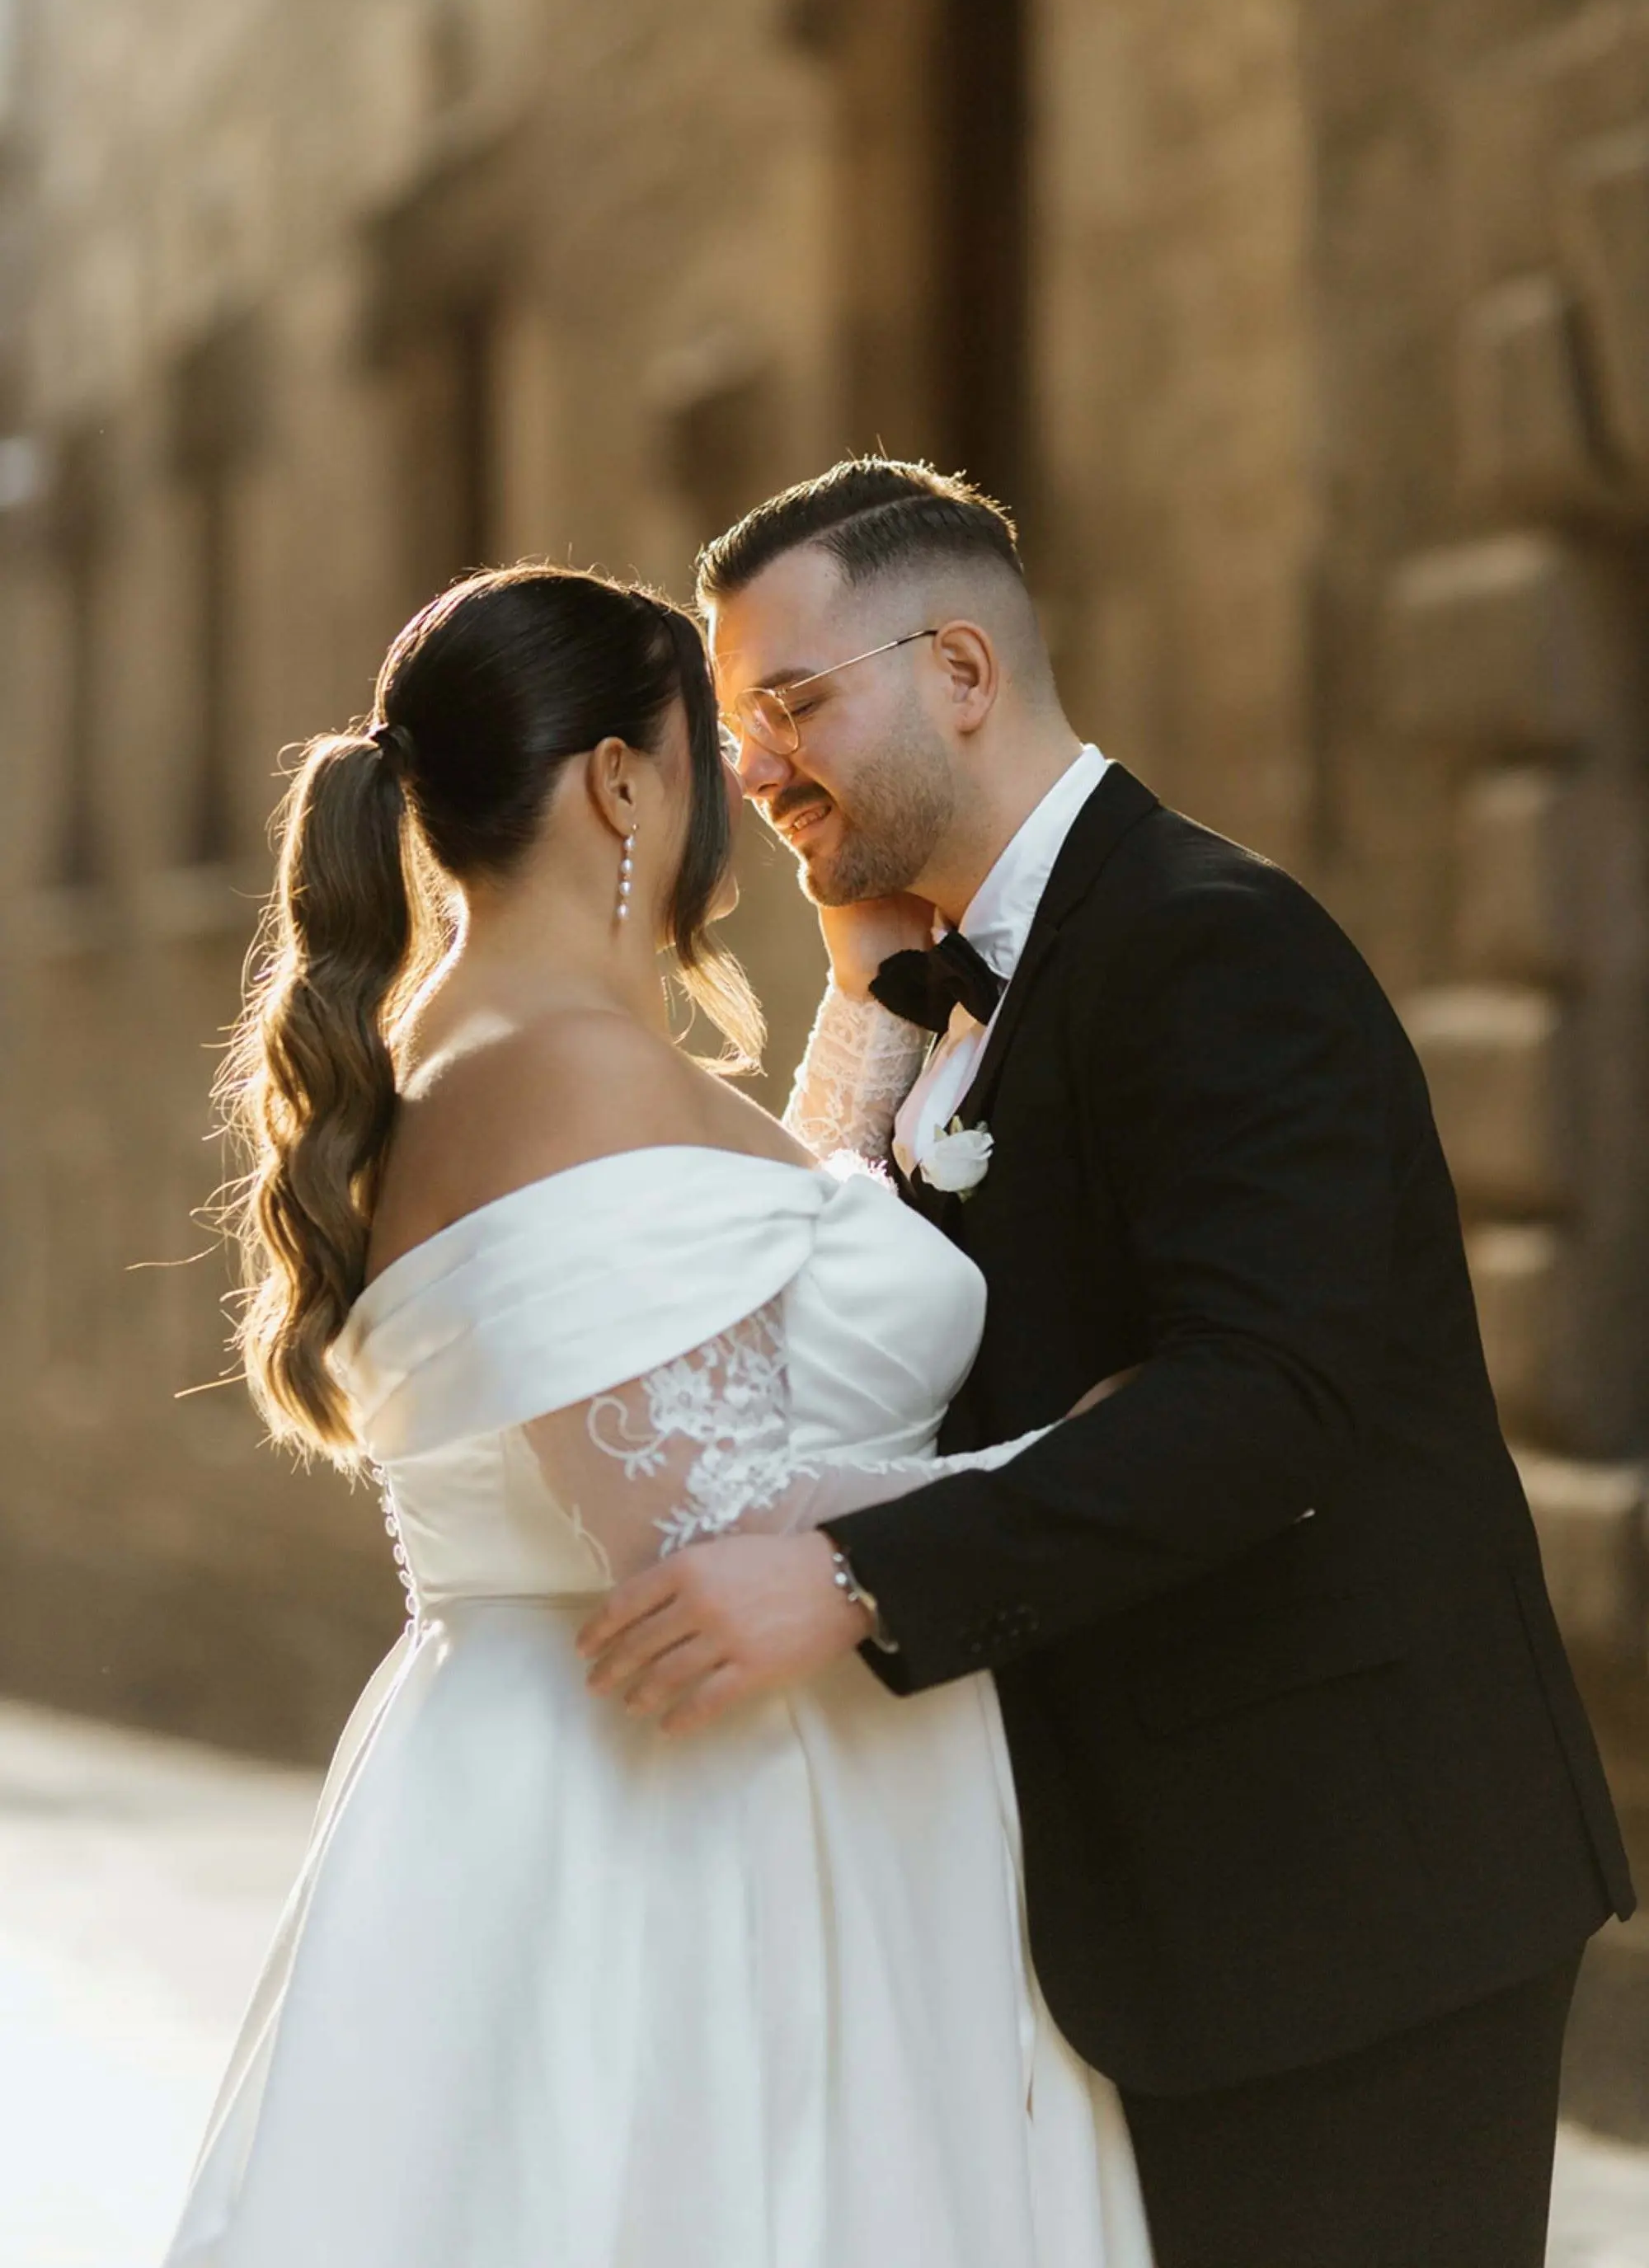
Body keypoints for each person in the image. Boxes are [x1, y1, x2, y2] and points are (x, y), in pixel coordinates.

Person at [580, 458, 1637, 2268]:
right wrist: (860, 1003)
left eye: (792, 703)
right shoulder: (949, 974)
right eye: (738, 718)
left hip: (1343, 1895)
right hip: (1144, 1900)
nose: (750, 771)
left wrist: (846, 1575)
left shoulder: (1210, 948)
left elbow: (1267, 1405)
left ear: (964, 672)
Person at [164, 562, 1154, 2268]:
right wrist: (1087, 1449)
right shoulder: (559, 1068)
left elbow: (717, 1292)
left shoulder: (487, 1051)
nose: (745, 792)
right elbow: (706, 1531)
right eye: (713, 746)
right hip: (699, 1828)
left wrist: (854, 1010)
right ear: (620, 782)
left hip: (589, 1784)